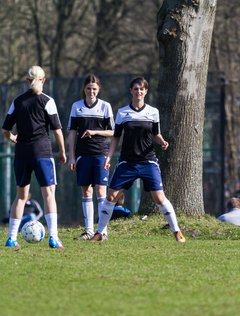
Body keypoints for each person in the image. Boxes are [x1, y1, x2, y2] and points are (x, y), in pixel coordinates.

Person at [91, 76, 186, 243]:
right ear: (131, 91)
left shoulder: (153, 112)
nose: (139, 92)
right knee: (111, 196)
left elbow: (156, 134)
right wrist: (108, 157)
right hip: (127, 162)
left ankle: (176, 231)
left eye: (142, 89)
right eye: (136, 89)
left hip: (148, 162)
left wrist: (162, 142)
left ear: (146, 91)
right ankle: (99, 232)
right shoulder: (122, 112)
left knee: (159, 198)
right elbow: (115, 137)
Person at [1, 65, 66, 249]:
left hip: (22, 153)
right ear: (43, 80)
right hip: (42, 153)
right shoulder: (47, 101)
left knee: (20, 196)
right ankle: (53, 238)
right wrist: (62, 152)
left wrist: (13, 138)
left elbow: (5, 129)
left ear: (27, 81)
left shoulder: (18, 101)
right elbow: (58, 131)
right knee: (48, 195)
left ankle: (11, 239)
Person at [68, 74, 114, 239]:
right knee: (86, 191)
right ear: (84, 89)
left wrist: (95, 132)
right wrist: (72, 156)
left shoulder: (105, 107)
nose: (91, 91)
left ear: (98, 89)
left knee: (101, 191)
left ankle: (102, 232)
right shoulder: (76, 106)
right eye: (88, 88)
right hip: (82, 155)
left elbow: (112, 131)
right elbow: (72, 133)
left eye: (94, 89)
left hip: (101, 153)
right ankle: (88, 231)